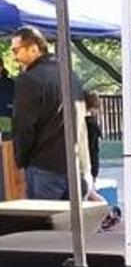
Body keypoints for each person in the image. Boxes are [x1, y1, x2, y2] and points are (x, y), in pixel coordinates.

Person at [10, 26, 86, 200]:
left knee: (44, 224)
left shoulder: (29, 79)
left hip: (43, 166)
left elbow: (22, 125)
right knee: (70, 225)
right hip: (73, 164)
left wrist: (21, 159)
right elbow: (81, 117)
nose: (15, 57)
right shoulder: (69, 73)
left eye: (16, 50)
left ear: (34, 48)